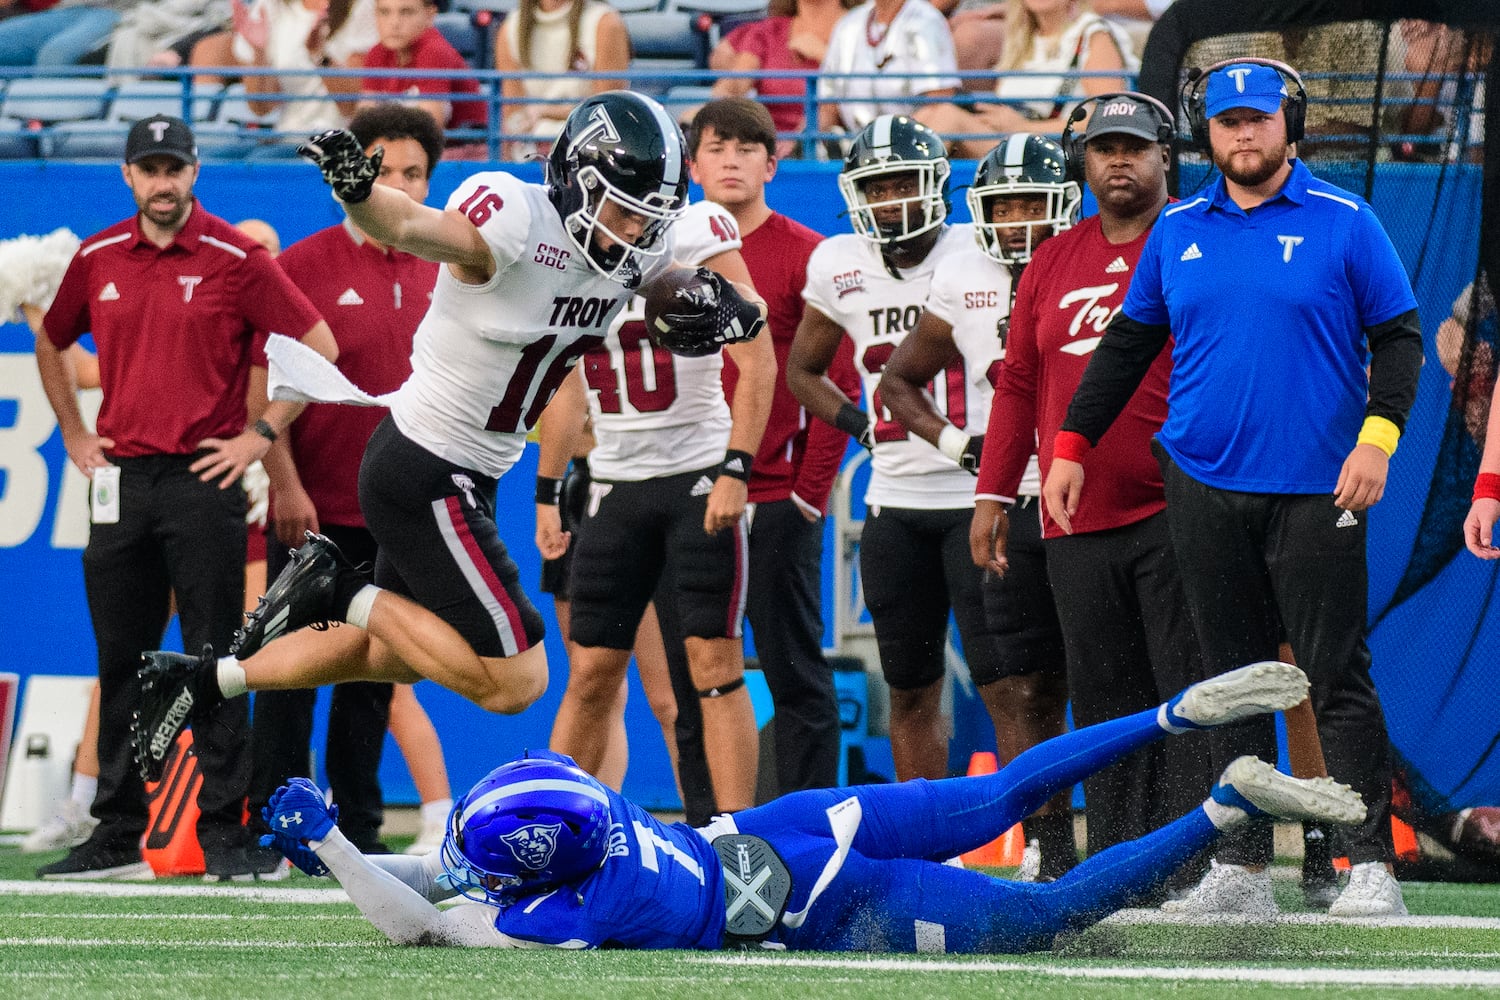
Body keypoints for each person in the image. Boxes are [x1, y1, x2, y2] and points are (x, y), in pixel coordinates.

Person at [133, 93, 766, 785]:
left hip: (459, 470)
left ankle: (204, 681)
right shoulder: (519, 220)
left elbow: (688, 282)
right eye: (624, 211)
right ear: (580, 183)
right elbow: (413, 225)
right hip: (427, 468)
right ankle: (334, 591)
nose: (637, 231)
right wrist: (358, 193)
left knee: (397, 652)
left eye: (651, 219)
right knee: (517, 680)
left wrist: (724, 303)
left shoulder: (626, 240)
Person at [1046, 61, 1423, 918]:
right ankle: (1243, 869)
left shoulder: (1346, 221)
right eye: (1226, 123)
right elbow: (1127, 345)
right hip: (1203, 484)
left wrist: (1379, 439)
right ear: (1206, 136)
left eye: (1257, 120)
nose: (1243, 135)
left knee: (1334, 676)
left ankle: (1369, 866)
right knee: (1231, 678)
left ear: (1290, 126)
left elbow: (1399, 341)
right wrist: (1072, 444)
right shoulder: (1176, 228)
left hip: (1318, 486)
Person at [260, 662, 1366, 951]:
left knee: (1049, 913)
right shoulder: (594, 817)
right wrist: (333, 843)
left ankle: (1222, 807)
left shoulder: (567, 915)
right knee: (998, 795)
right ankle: (1170, 714)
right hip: (780, 827)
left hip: (826, 898)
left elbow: (417, 918)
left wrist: (336, 852)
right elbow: (434, 878)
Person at [33, 114, 338, 881]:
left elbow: (319, 344)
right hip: (125, 478)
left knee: (215, 658)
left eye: (175, 168)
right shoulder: (98, 255)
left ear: (195, 172)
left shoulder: (235, 253)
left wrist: (260, 436)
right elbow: (51, 338)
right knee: (121, 659)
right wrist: (74, 434)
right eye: (150, 169)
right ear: (129, 177)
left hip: (207, 480)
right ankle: (115, 829)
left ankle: (226, 830)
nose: (163, 183)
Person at [971, 99, 1213, 870]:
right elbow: (1017, 384)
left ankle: (1188, 858)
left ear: (1165, 157)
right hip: (1075, 514)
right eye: (1104, 149)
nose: (1119, 162)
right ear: (1083, 161)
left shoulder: (1199, 236)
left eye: (1135, 149)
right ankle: (1114, 857)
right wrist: (993, 490)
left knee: (1182, 691)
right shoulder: (1051, 259)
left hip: (1179, 502)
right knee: (1102, 697)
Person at [541, 173, 775, 817]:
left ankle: (736, 841)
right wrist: (545, 489)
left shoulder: (695, 230)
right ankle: (547, 833)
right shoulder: (570, 244)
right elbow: (562, 378)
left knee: (715, 671)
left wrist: (736, 466)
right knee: (589, 676)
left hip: (696, 478)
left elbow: (757, 346)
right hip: (613, 488)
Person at [245, 104, 446, 855]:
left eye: (413, 173)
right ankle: (276, 824)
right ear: (347, 175)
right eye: (383, 169)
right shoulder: (301, 265)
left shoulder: (447, 267)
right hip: (315, 502)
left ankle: (354, 829)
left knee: (373, 675)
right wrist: (284, 482)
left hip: (402, 505)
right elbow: (263, 387)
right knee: (288, 670)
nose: (396, 184)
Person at [878, 133, 1075, 877]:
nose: (1021, 220)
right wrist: (965, 448)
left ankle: (1136, 834)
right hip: (1008, 499)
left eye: (1033, 202)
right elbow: (897, 382)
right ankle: (1050, 850)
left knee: (1113, 676)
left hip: (1099, 498)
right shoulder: (965, 273)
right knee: (1026, 684)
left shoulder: (1098, 254)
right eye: (1006, 204)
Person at [787, 115, 996, 785]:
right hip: (895, 502)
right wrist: (858, 422)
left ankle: (1038, 845)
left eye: (905, 183)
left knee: (1010, 684)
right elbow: (802, 370)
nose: (893, 200)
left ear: (936, 184)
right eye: (879, 187)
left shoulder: (978, 246)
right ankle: (928, 850)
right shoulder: (838, 263)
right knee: (909, 689)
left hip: (980, 496)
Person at [686, 99, 859, 798]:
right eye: (717, 146)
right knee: (694, 671)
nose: (731, 159)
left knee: (794, 671)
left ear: (772, 163)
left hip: (775, 499)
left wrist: (807, 499)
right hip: (689, 496)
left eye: (747, 147)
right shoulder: (668, 248)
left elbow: (835, 385)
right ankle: (704, 836)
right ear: (691, 164)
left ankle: (812, 829)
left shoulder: (808, 254)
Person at [917, 0, 1135, 159]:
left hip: (1055, 150)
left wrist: (1024, 126)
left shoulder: (1092, 35)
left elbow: (1108, 117)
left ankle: (898, 189)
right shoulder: (1022, 42)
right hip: (1013, 141)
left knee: (948, 117)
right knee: (930, 113)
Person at [707, 0, 857, 158]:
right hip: (769, 148)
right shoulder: (769, 31)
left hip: (834, 149)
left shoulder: (859, 29)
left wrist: (824, 55)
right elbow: (734, 84)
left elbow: (863, 88)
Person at [491, 0, 629, 162]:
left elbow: (608, 112)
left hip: (588, 151)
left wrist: (545, 112)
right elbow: (513, 116)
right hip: (530, 152)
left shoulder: (605, 23)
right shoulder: (510, 28)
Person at [230, 0, 378, 138]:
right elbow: (261, 108)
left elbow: (352, 107)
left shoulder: (361, 6)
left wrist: (319, 56)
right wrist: (259, 54)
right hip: (289, 139)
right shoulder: (270, 6)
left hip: (341, 142)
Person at [817, 0, 959, 137]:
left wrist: (887, 142)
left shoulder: (926, 20)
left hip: (911, 145)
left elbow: (939, 100)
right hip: (855, 147)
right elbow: (828, 107)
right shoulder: (848, 24)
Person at [358, 0, 485, 137]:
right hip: (409, 148)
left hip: (468, 149)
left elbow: (428, 128)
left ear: (430, 16)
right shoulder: (377, 53)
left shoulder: (434, 50)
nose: (394, 23)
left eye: (406, 12)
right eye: (384, 12)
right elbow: (364, 120)